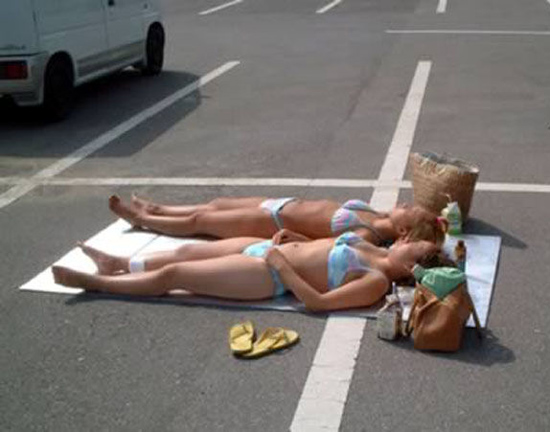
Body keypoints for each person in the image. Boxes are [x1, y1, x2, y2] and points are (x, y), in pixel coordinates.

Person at [52, 230, 445, 312]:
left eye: (413, 244)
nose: (405, 238)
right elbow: (324, 247)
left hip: (266, 274)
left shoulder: (375, 282)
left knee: (177, 275)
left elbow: (318, 303)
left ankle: (98, 283)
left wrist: (282, 266)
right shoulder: (374, 246)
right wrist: (295, 239)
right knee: (188, 250)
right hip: (268, 250)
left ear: (409, 265)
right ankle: (119, 264)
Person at [108, 194, 447, 246]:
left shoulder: (367, 235)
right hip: (281, 203)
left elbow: (326, 247)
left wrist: (293, 238)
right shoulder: (378, 214)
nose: (404, 202)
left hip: (272, 222)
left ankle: (143, 219)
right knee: (215, 204)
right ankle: (159, 209)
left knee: (202, 220)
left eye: (408, 208)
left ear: (403, 229)